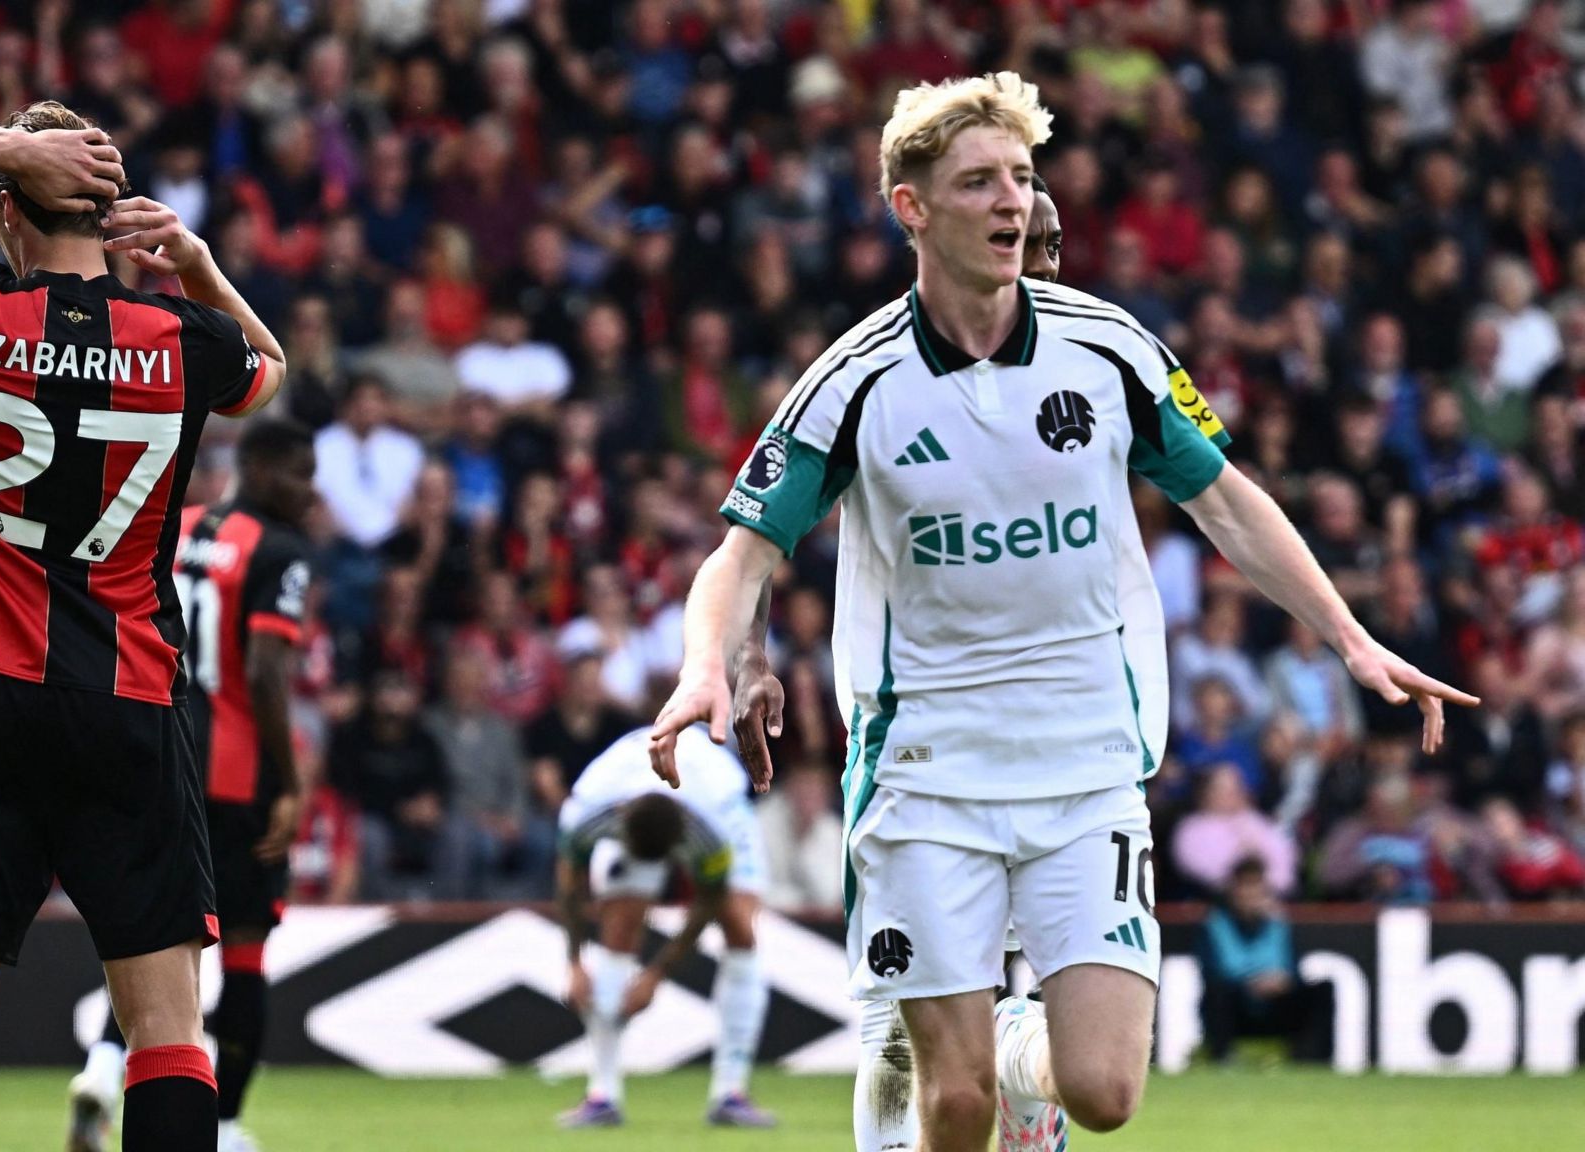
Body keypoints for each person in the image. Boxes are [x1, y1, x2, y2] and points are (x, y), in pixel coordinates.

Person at [654, 72, 1472, 1152]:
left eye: (1021, 178)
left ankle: (1008, 1046)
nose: (1011, 202)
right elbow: (740, 554)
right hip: (925, 771)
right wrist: (703, 667)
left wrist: (1351, 638)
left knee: (1103, 1092)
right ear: (911, 207)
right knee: (945, 1107)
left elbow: (1227, 501)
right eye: (978, 181)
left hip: (1085, 762)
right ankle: (969, 1054)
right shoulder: (852, 382)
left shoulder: (1111, 350)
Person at [0, 98, 285, 1152]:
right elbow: (268, 375)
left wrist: (5, 148)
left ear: (1, 203)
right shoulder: (180, 336)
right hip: (128, 701)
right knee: (168, 1030)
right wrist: (198, 265)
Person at [69, 417, 318, 1152]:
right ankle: (230, 1125)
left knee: (153, 936)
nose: (310, 493)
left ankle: (103, 1065)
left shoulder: (173, 529)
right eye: (300, 474)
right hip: (236, 775)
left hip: (154, 753)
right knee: (242, 953)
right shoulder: (279, 551)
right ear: (262, 467)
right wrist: (292, 780)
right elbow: (268, 672)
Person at [555, 724, 774, 1130]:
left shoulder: (710, 829)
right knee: (618, 927)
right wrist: (573, 962)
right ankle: (602, 1095)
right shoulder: (589, 810)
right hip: (642, 785)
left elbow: (708, 900)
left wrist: (656, 974)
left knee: (741, 931)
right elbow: (568, 887)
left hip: (720, 800)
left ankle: (730, 1093)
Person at [1197, 858, 1333, 1064]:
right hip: (1236, 1005)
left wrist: (1281, 981)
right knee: (1217, 993)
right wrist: (1250, 983)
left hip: (1275, 1002)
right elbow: (1212, 971)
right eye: (1245, 887)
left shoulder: (1278, 923)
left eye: (1256, 887)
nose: (1250, 895)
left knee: (1323, 989)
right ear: (1233, 891)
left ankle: (1311, 1061)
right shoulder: (1215, 923)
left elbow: (1294, 970)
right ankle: (1222, 1058)